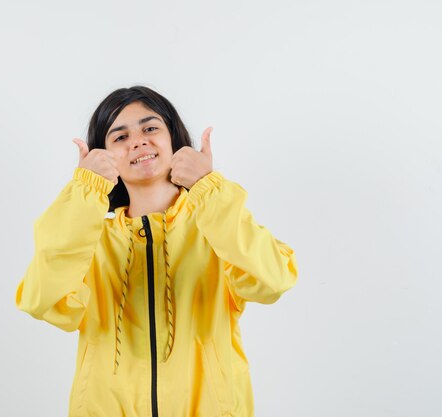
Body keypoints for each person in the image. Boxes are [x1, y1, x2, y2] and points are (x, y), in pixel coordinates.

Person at [15, 86, 298, 417]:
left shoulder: (216, 228)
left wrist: (208, 188)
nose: (137, 141)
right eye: (120, 137)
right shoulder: (89, 242)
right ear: (102, 157)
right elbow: (41, 300)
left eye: (150, 128)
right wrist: (84, 193)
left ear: (174, 140)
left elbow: (274, 278)